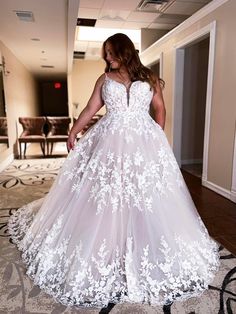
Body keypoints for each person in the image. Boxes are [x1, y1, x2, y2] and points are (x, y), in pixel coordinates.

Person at [8, 33, 220, 310]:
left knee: (147, 193)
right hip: (110, 139)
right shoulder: (104, 80)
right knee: (106, 191)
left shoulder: (150, 79)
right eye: (105, 53)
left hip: (144, 141)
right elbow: (90, 108)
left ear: (124, 51)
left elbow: (160, 109)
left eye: (110, 52)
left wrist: (156, 135)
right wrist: (73, 131)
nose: (107, 57)